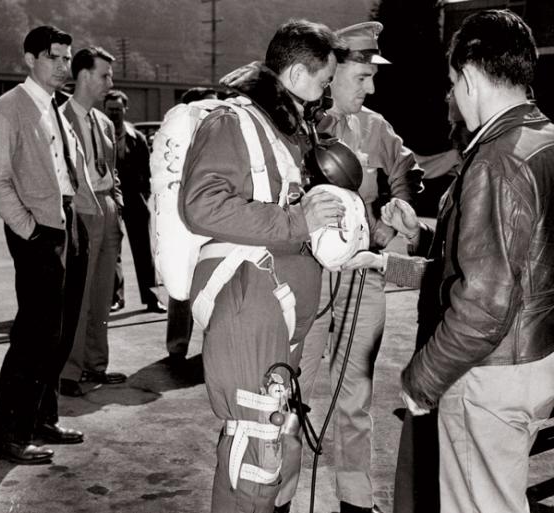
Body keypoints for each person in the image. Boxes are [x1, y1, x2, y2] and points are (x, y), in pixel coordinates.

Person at [377, 10, 554, 513]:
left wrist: (421, 380)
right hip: (536, 356)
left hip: (490, 372)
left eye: (454, 82)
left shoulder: (497, 159)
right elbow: (524, 248)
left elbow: (483, 305)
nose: (453, 95)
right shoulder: (544, 139)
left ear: (472, 76)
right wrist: (424, 235)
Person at [179, 19, 348, 512]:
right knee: (254, 447)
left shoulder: (287, 132)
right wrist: (295, 220)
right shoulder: (232, 122)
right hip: (249, 307)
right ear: (296, 74)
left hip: (279, 312)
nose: (326, 91)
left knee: (275, 443)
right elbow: (202, 204)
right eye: (323, 80)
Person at [275, 22, 423, 513]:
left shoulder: (376, 128)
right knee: (292, 391)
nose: (371, 87)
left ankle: (355, 499)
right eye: (362, 76)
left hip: (363, 279)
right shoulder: (295, 126)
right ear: (333, 72)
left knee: (356, 394)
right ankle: (278, 493)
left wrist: (387, 223)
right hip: (308, 278)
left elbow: (407, 174)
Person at [0, 25, 98, 464]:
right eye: (54, 57)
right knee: (33, 336)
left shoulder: (54, 107)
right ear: (30, 59)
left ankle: (42, 418)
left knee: (60, 332)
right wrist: (29, 230)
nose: (64, 66)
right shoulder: (8, 108)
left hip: (67, 224)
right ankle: (6, 436)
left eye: (68, 58)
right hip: (39, 231)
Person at [59, 46, 126, 397]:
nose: (110, 82)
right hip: (79, 212)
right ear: (83, 76)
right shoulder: (58, 118)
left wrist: (116, 204)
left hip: (106, 208)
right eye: (104, 75)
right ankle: (69, 372)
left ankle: (95, 365)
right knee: (78, 295)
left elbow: (111, 171)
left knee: (102, 295)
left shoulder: (103, 121)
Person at [165, 87, 218, 368]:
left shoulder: (224, 136)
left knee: (217, 283)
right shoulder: (177, 141)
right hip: (184, 224)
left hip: (216, 223)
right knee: (180, 286)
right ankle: (177, 347)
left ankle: (214, 347)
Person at [104, 89, 166, 314]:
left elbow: (148, 170)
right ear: (104, 109)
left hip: (135, 200)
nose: (114, 114)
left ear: (125, 109)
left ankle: (152, 299)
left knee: (144, 253)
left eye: (118, 110)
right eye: (110, 109)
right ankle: (115, 297)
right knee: (112, 251)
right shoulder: (99, 134)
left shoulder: (136, 137)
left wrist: (144, 194)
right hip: (109, 201)